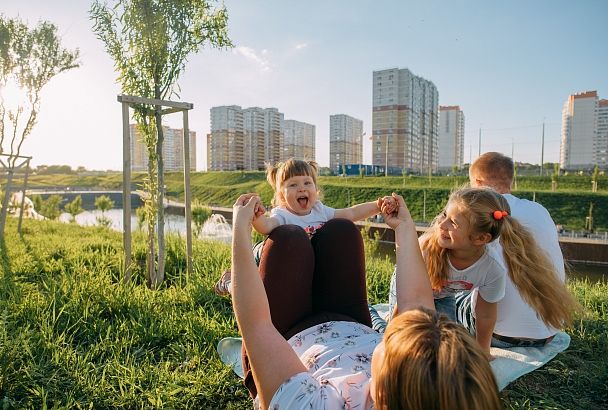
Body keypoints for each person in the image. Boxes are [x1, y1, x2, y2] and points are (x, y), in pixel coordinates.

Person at [230, 192, 501, 409]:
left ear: (383, 389)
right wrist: (404, 228)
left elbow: (258, 326)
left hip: (289, 337)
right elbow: (416, 303)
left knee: (289, 239)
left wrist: (240, 231)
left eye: (395, 339)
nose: (410, 321)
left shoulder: (311, 405)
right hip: (348, 323)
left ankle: (233, 276)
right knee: (341, 231)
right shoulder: (418, 386)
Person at [214, 158, 394, 296]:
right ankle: (230, 280)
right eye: (293, 185)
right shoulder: (283, 215)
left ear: (316, 190)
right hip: (267, 261)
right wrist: (256, 216)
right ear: (282, 196)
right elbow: (266, 227)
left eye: (307, 183)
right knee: (250, 287)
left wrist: (377, 206)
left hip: (306, 269)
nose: (301, 188)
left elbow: (351, 214)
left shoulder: (320, 210)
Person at [466, 152, 580, 347]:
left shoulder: (479, 215)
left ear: (478, 182)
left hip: (497, 336)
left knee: (451, 294)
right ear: (510, 180)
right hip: (548, 332)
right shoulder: (539, 210)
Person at [388, 187, 508, 356]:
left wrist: (483, 351)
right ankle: (376, 318)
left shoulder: (492, 269)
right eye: (444, 215)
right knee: (411, 341)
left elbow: (486, 314)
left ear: (481, 238)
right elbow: (406, 300)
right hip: (409, 290)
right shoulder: (425, 250)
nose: (441, 224)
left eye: (453, 223)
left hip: (444, 295)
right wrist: (392, 331)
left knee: (446, 344)